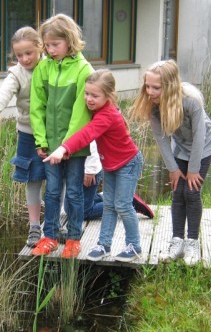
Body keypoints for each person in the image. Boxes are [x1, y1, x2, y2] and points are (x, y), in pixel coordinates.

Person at [45, 69, 144, 262]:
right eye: (87, 93)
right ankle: (104, 245)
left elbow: (87, 134)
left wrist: (63, 148)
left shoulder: (107, 115)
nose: (89, 99)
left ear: (109, 96)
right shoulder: (96, 110)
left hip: (128, 163)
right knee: (109, 205)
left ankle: (134, 246)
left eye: (95, 95)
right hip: (111, 164)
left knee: (122, 205)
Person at [130, 60, 211, 265]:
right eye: (147, 86)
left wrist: (193, 169)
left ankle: (192, 242)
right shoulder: (153, 106)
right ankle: (177, 241)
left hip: (202, 146)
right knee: (178, 192)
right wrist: (173, 169)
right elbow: (161, 139)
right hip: (180, 147)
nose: (150, 91)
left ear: (169, 86)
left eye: (156, 88)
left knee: (192, 192)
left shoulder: (191, 101)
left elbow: (199, 136)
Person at [0, 26, 45, 248]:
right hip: (28, 134)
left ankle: (55, 222)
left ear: (40, 47)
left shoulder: (51, 66)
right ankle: (34, 226)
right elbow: (1, 95)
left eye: (28, 53)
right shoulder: (17, 73)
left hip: (54, 134)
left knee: (55, 178)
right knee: (32, 179)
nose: (24, 59)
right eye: (19, 55)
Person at [29, 14, 93, 258]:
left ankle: (74, 238)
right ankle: (50, 237)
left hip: (75, 146)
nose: (49, 49)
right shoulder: (43, 68)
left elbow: (81, 113)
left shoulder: (83, 69)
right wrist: (42, 140)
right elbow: (37, 107)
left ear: (69, 40)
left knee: (74, 192)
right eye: (47, 45)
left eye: (55, 44)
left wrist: (67, 146)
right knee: (52, 192)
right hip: (50, 146)